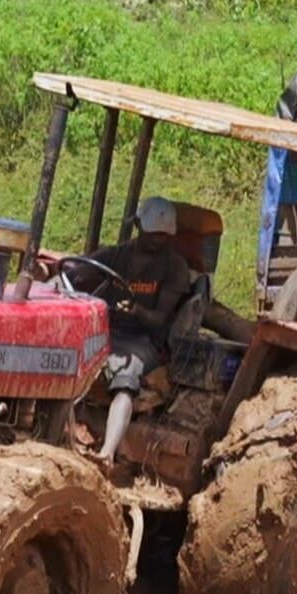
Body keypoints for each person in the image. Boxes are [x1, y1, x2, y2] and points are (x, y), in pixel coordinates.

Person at [81, 196, 191, 463]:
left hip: (142, 340)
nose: (157, 241)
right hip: (105, 332)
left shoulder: (174, 268)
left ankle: (107, 453)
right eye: (152, 234)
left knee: (124, 379)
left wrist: (137, 311)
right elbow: (80, 269)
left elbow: (160, 319)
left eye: (163, 236)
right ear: (139, 226)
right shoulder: (117, 255)